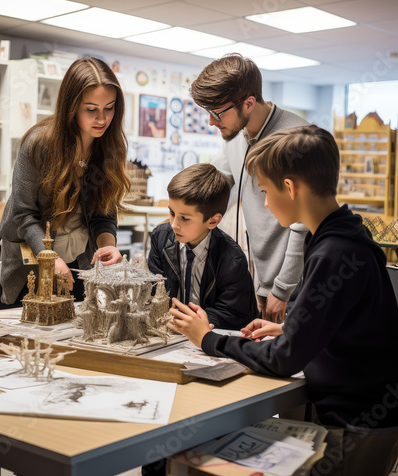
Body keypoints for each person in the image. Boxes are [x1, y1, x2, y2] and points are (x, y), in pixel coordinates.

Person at [168, 125, 398, 476]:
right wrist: (290, 326)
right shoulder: (346, 234)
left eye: (264, 190)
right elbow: (345, 323)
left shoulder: (333, 252)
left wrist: (208, 339)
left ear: (289, 188)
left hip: (357, 423)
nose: (264, 202)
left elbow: (284, 359)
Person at [0, 56, 130, 307]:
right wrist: (50, 259)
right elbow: (24, 215)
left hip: (79, 263)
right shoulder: (38, 144)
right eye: (91, 109)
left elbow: (103, 213)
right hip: (34, 262)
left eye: (109, 107)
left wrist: (108, 247)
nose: (102, 119)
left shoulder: (111, 148)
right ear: (72, 106)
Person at [190, 53, 310, 323]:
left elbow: (302, 224)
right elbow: (213, 182)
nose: (211, 121)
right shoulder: (234, 134)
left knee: (290, 361)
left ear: (248, 103)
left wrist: (282, 289)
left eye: (217, 112)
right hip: (260, 280)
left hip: (293, 287)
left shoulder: (297, 138)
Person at [148, 163, 258, 330]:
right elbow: (153, 291)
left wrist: (189, 321)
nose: (174, 225)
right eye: (171, 213)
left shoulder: (232, 259)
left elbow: (234, 314)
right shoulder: (160, 238)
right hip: (168, 335)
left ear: (213, 221)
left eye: (184, 218)